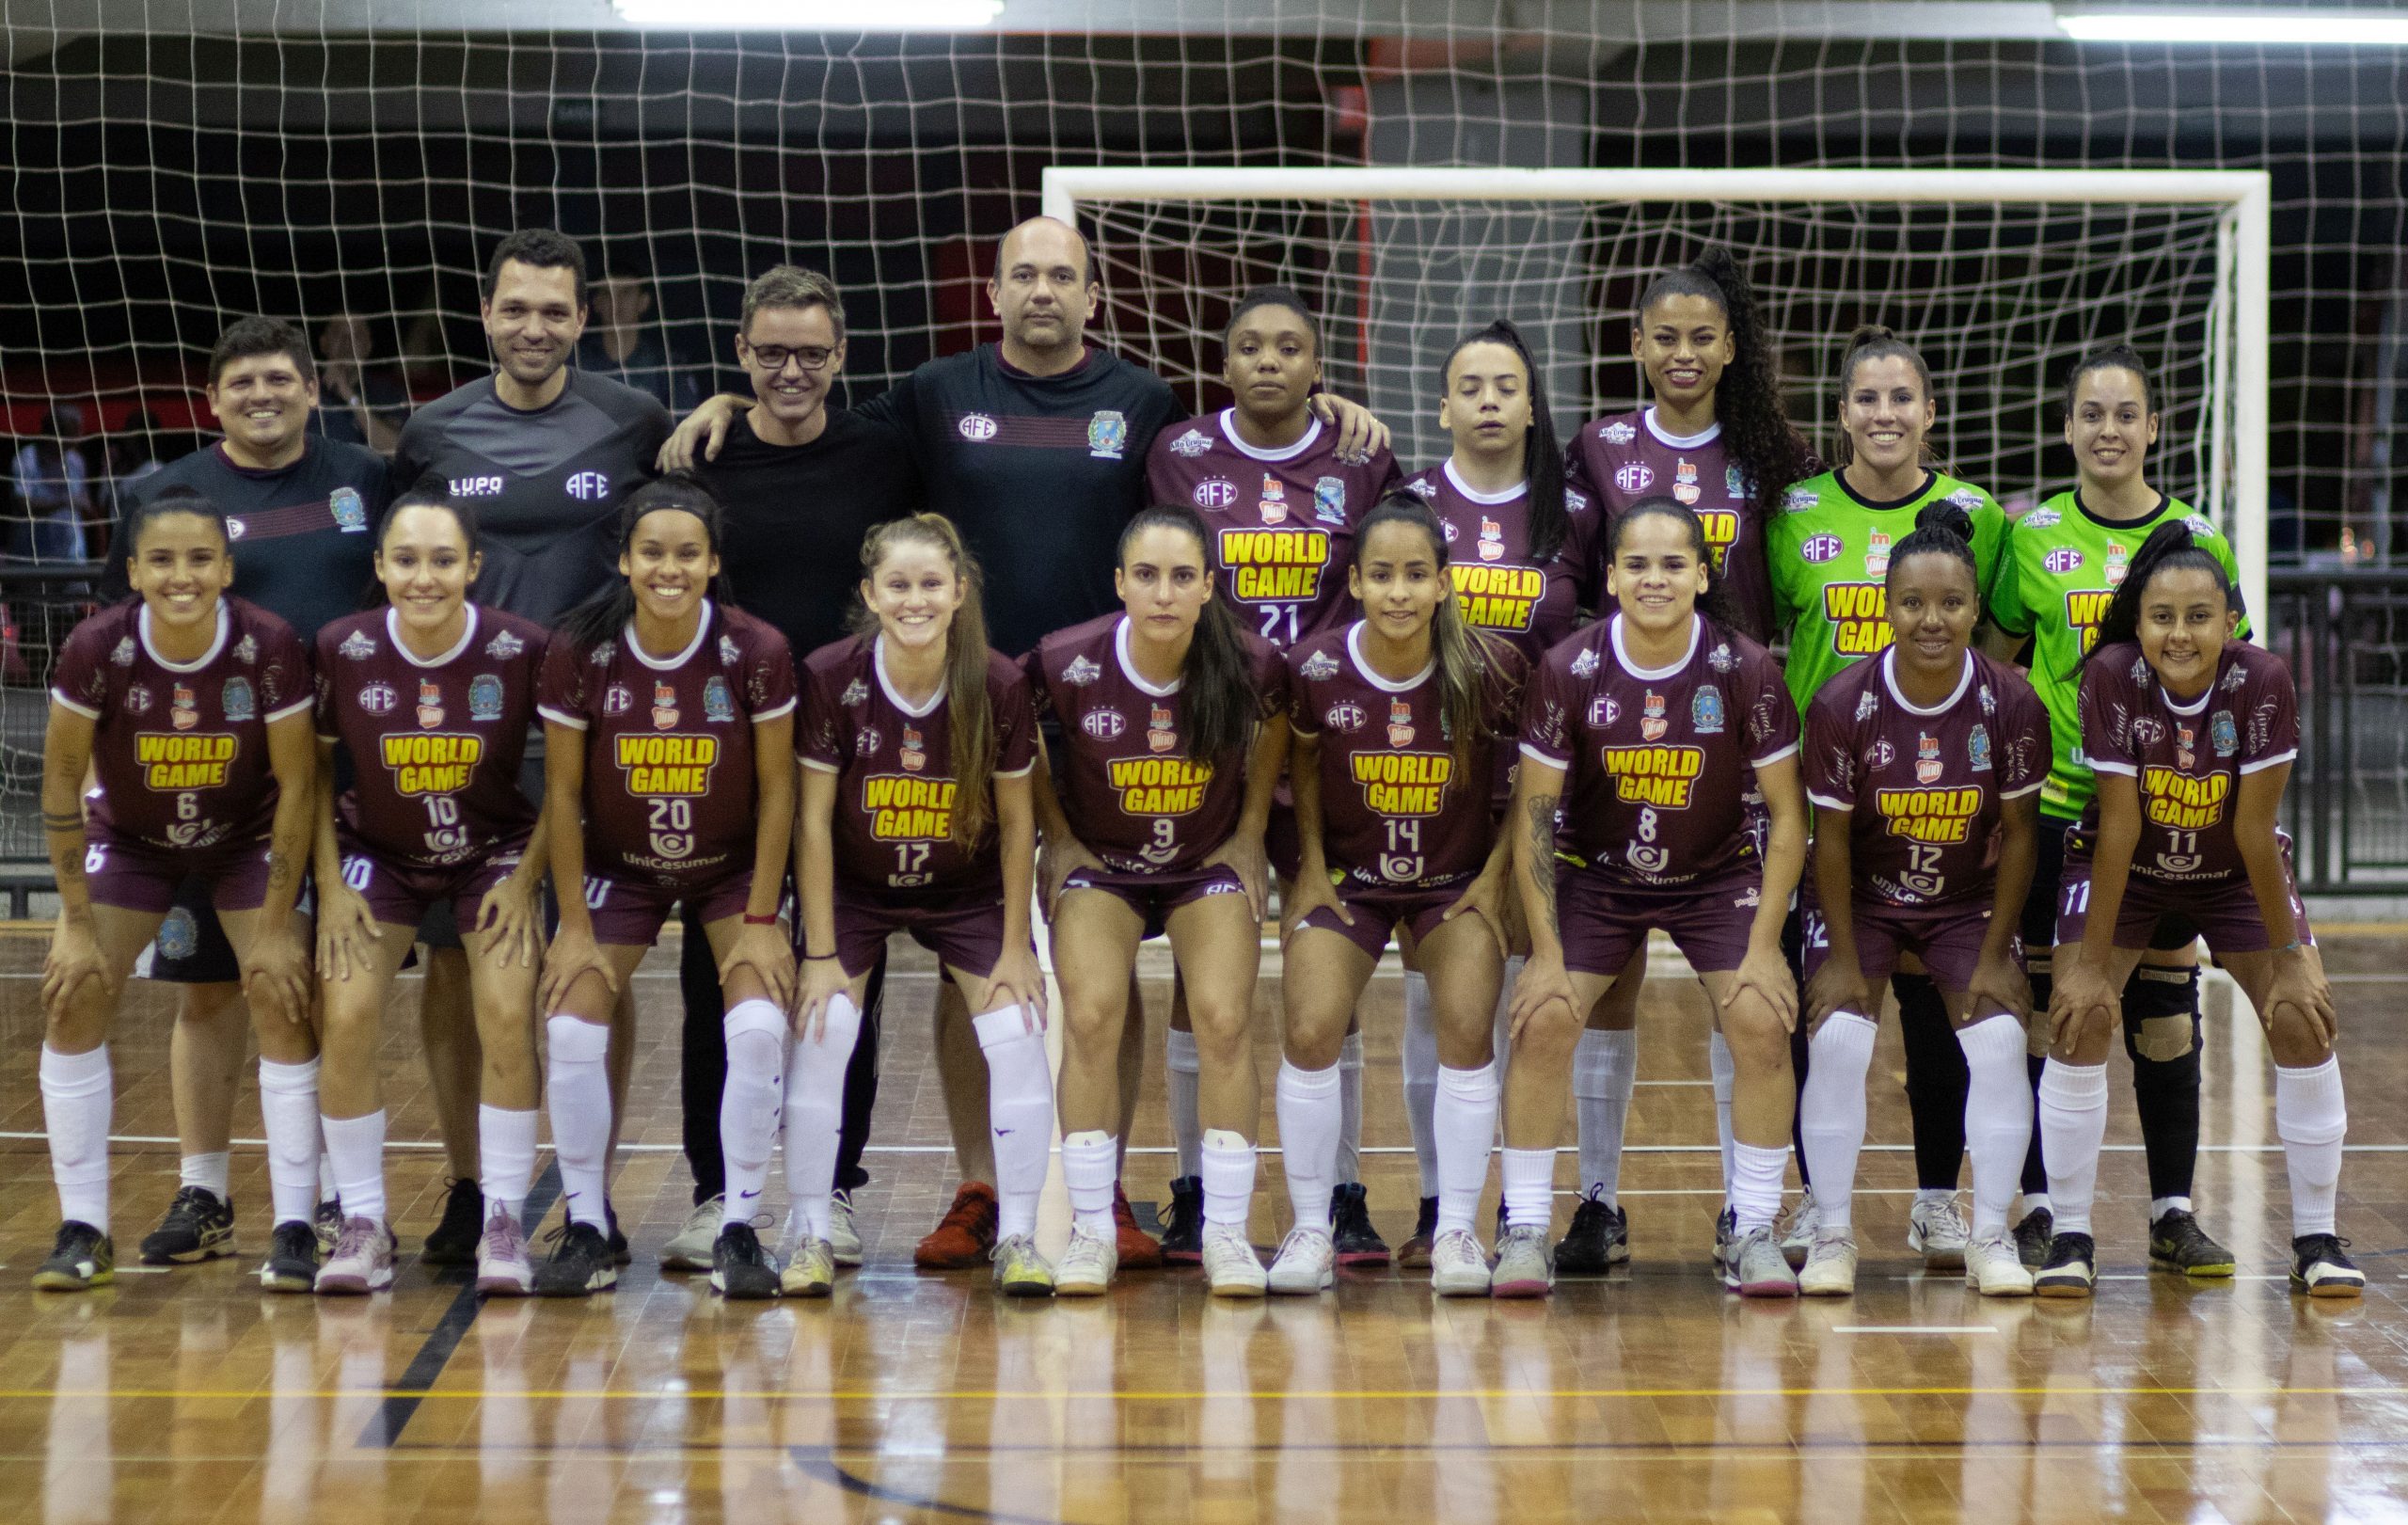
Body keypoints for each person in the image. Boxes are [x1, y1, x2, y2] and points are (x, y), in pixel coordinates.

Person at [665, 215, 1386, 1271]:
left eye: (1062, 276)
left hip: (1120, 712)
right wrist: (731, 403)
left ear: (1092, 298)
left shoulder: (1141, 405)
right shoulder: (934, 394)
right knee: (985, 960)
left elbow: (1230, 457)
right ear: (993, 294)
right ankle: (982, 1186)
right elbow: (814, 422)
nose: (1042, 291)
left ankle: (1116, 1194)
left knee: (1110, 971)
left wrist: (1322, 411)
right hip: (971, 714)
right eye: (1023, 276)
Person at [392, 229, 672, 1264]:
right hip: (457, 748)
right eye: (517, 308)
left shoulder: (635, 422)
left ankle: (590, 1196)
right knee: (458, 970)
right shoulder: (428, 432)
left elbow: (687, 506)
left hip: (594, 743)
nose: (534, 328)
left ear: (584, 321)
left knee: (597, 966)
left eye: (555, 311)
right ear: (487, 315)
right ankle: (474, 1189)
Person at [97, 316, 391, 1270]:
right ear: (215, 399)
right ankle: (206, 1188)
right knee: (210, 992)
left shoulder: (367, 480)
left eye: (280, 378)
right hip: (207, 787)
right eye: (243, 383)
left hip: (340, 778)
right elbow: (122, 639)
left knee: (310, 991)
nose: (262, 395)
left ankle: (332, 1198)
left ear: (311, 388)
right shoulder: (167, 498)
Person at [1559, 251, 1816, 1273]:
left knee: (1739, 990)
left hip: (1735, 747)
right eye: (1663, 335)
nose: (1682, 352)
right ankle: (1594, 1203)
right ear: (1635, 344)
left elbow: (1792, 586)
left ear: (1729, 347)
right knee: (1607, 984)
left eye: (1701, 335)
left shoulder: (1769, 452)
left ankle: (1741, 1212)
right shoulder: (1598, 444)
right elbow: (1576, 585)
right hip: (1620, 747)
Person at [665, 263, 920, 1276]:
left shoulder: (885, 457)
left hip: (853, 753)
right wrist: (713, 411)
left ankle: (836, 1185)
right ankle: (709, 1192)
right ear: (741, 352)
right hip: (730, 753)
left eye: (811, 353)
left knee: (845, 972)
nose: (791, 371)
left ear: (840, 355)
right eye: (770, 353)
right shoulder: (703, 460)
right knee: (714, 971)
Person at [1144, 284, 1402, 1265]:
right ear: (1223, 361)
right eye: (1248, 345)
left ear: (1316, 362)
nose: (1267, 361)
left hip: (1328, 735)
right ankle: (1192, 1188)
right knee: (1197, 979)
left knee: (1327, 964)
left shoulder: (1359, 454)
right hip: (1214, 735)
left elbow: (1391, 572)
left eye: (1288, 346)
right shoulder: (1179, 453)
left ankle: (1338, 1192)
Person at [2036, 523, 2360, 1298]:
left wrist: (2289, 957)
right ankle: (2072, 1235)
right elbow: (2118, 824)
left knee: (2301, 1015)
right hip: (2131, 862)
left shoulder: (2265, 679)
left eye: (2198, 617)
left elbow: (2254, 830)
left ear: (2228, 622)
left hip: (2231, 868)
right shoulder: (2112, 675)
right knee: (2079, 1016)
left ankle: (2317, 1236)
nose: (2179, 634)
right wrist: (2086, 969)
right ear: (2138, 621)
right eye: (2161, 617)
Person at [1985, 345, 2243, 1276]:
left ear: (2152, 428)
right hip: (2063, 810)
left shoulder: (2198, 539)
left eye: (2124, 414)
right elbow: (1998, 661)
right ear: (2066, 428)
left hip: (2172, 814)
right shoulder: (2029, 539)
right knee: (2060, 1009)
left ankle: (2173, 1210)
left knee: (2165, 1012)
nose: (2107, 430)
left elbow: (2231, 677)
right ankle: (2047, 1207)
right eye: (2090, 414)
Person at [1509, 498, 1808, 1297]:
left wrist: (1765, 944)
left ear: (1703, 576)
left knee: (1759, 1018)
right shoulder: (1567, 666)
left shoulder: (1744, 667)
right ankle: (1527, 1228)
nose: (1654, 578)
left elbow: (1789, 816)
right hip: (1598, 872)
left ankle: (1752, 1228)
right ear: (1608, 575)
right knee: (1541, 1018)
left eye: (1674, 563)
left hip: (1717, 873)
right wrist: (1543, 952)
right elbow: (1535, 816)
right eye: (1636, 563)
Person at [1762, 324, 2013, 1273]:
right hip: (1824, 801)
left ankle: (1935, 1199)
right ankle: (1812, 1202)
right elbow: (1764, 639)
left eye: (1900, 397)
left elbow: (1998, 646)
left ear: (1929, 412)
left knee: (1932, 1003)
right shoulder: (1792, 514)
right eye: (1865, 399)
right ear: (1840, 415)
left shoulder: (1975, 515)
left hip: (1944, 799)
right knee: (1823, 1000)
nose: (1883, 414)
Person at [32, 493, 319, 1291]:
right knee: (74, 989)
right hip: (132, 840)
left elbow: (298, 785)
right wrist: (75, 922)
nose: (181, 575)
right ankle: (84, 1226)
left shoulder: (267, 644)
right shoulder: (98, 645)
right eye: (161, 560)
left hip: (244, 837)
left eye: (199, 559)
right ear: (133, 571)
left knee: (278, 985)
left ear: (226, 568)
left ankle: (296, 1222)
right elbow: (58, 781)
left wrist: (269, 926)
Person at [532, 475, 797, 1298]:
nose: (669, 568)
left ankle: (740, 1227)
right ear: (625, 560)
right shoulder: (582, 648)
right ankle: (586, 1225)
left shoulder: (756, 649)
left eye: (687, 553)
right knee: (573, 1026)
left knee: (755, 1023)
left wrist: (759, 916)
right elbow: (565, 797)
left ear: (713, 562)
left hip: (727, 868)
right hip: (620, 868)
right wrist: (573, 925)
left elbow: (782, 789)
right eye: (652, 552)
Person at [1027, 503, 1288, 1296]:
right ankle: (1090, 1232)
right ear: (1119, 583)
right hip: (1102, 863)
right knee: (1094, 1016)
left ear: (1210, 585)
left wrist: (1249, 830)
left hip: (1202, 863)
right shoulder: (1065, 660)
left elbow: (1275, 725)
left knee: (1223, 1017)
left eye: (1182, 576)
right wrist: (1057, 834)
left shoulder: (1249, 661)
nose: (1164, 592)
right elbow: (1020, 734)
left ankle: (1227, 1235)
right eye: (1146, 575)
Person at [792, 514, 1054, 1296]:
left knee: (1013, 1031)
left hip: (966, 889)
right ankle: (806, 1230)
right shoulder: (832, 674)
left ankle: (1017, 1236)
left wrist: (1014, 947)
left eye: (931, 584)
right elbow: (811, 819)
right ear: (870, 593)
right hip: (856, 887)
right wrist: (818, 952)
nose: (915, 599)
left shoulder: (997, 682)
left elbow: (1018, 824)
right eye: (898, 585)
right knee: (826, 1023)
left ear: (959, 592)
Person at [1795, 504, 2048, 1298]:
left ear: (1976, 608)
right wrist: (1840, 957)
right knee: (1836, 1039)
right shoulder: (1841, 703)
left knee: (2003, 1041)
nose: (1931, 619)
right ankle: (1833, 1231)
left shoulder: (2011, 701)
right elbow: (1828, 843)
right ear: (1886, 605)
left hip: (1965, 900)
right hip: (1863, 896)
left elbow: (2020, 834)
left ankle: (1991, 1234)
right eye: (1912, 603)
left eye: (1950, 604)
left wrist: (1998, 948)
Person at [1390, 317, 1598, 1267]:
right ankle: (1444, 1206)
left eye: (1504, 386)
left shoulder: (1575, 514)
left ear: (1528, 404)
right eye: (1468, 385)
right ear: (1441, 405)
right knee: (1442, 996)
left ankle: (1546, 1208)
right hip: (1435, 781)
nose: (1486, 400)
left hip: (1551, 783)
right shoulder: (1407, 504)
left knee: (1538, 997)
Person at [1275, 494, 1520, 1295]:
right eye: (1381, 575)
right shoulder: (1314, 666)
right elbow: (1302, 763)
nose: (1399, 591)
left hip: (1452, 883)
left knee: (1464, 1024)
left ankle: (1454, 1229)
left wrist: (1492, 877)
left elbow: (1530, 786)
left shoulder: (1489, 667)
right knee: (1311, 1027)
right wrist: (1308, 862)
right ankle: (1312, 1228)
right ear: (1354, 580)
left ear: (1446, 583)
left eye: (1417, 574)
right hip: (1350, 882)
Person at [308, 493, 550, 1295]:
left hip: (493, 853)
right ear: (379, 566)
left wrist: (528, 875)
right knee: (343, 1010)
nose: (424, 577)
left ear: (473, 567)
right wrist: (329, 886)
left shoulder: (523, 648)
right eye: (405, 560)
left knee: (510, 1011)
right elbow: (309, 773)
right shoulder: (342, 646)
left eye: (443, 560)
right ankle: (365, 1221)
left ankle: (505, 1220)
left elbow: (573, 776)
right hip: (376, 851)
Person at [578, 270, 706, 413]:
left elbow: (685, 422)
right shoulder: (576, 361)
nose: (616, 301)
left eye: (626, 292)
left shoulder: (667, 365)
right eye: (607, 293)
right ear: (596, 303)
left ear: (643, 302)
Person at [313, 312, 413, 454]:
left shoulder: (387, 394)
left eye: (357, 336)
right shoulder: (305, 392)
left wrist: (348, 394)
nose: (348, 343)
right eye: (338, 334)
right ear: (323, 343)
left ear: (368, 346)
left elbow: (396, 450)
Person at [8, 405, 94, 562]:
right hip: (34, 558)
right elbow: (22, 505)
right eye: (74, 430)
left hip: (72, 557)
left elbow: (83, 502)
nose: (80, 435)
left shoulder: (76, 461)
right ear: (58, 431)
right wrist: (63, 501)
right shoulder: (27, 459)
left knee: (80, 587)